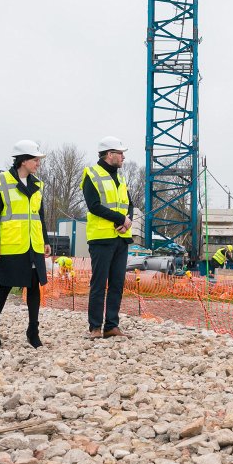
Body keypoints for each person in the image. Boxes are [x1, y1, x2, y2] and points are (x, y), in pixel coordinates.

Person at [0, 140, 51, 349]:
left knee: (33, 287)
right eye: (35, 159)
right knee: (5, 286)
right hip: (11, 244)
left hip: (34, 245)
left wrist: (46, 241)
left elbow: (39, 215)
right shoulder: (1, 181)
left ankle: (33, 331)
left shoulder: (37, 185)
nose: (38, 163)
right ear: (23, 160)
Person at [82, 136, 133, 339]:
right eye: (120, 154)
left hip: (121, 237)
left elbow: (129, 203)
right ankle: (95, 327)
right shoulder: (91, 175)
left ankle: (112, 325)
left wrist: (126, 219)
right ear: (109, 155)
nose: (123, 157)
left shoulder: (120, 178)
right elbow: (93, 205)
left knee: (117, 283)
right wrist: (120, 218)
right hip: (101, 238)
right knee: (99, 283)